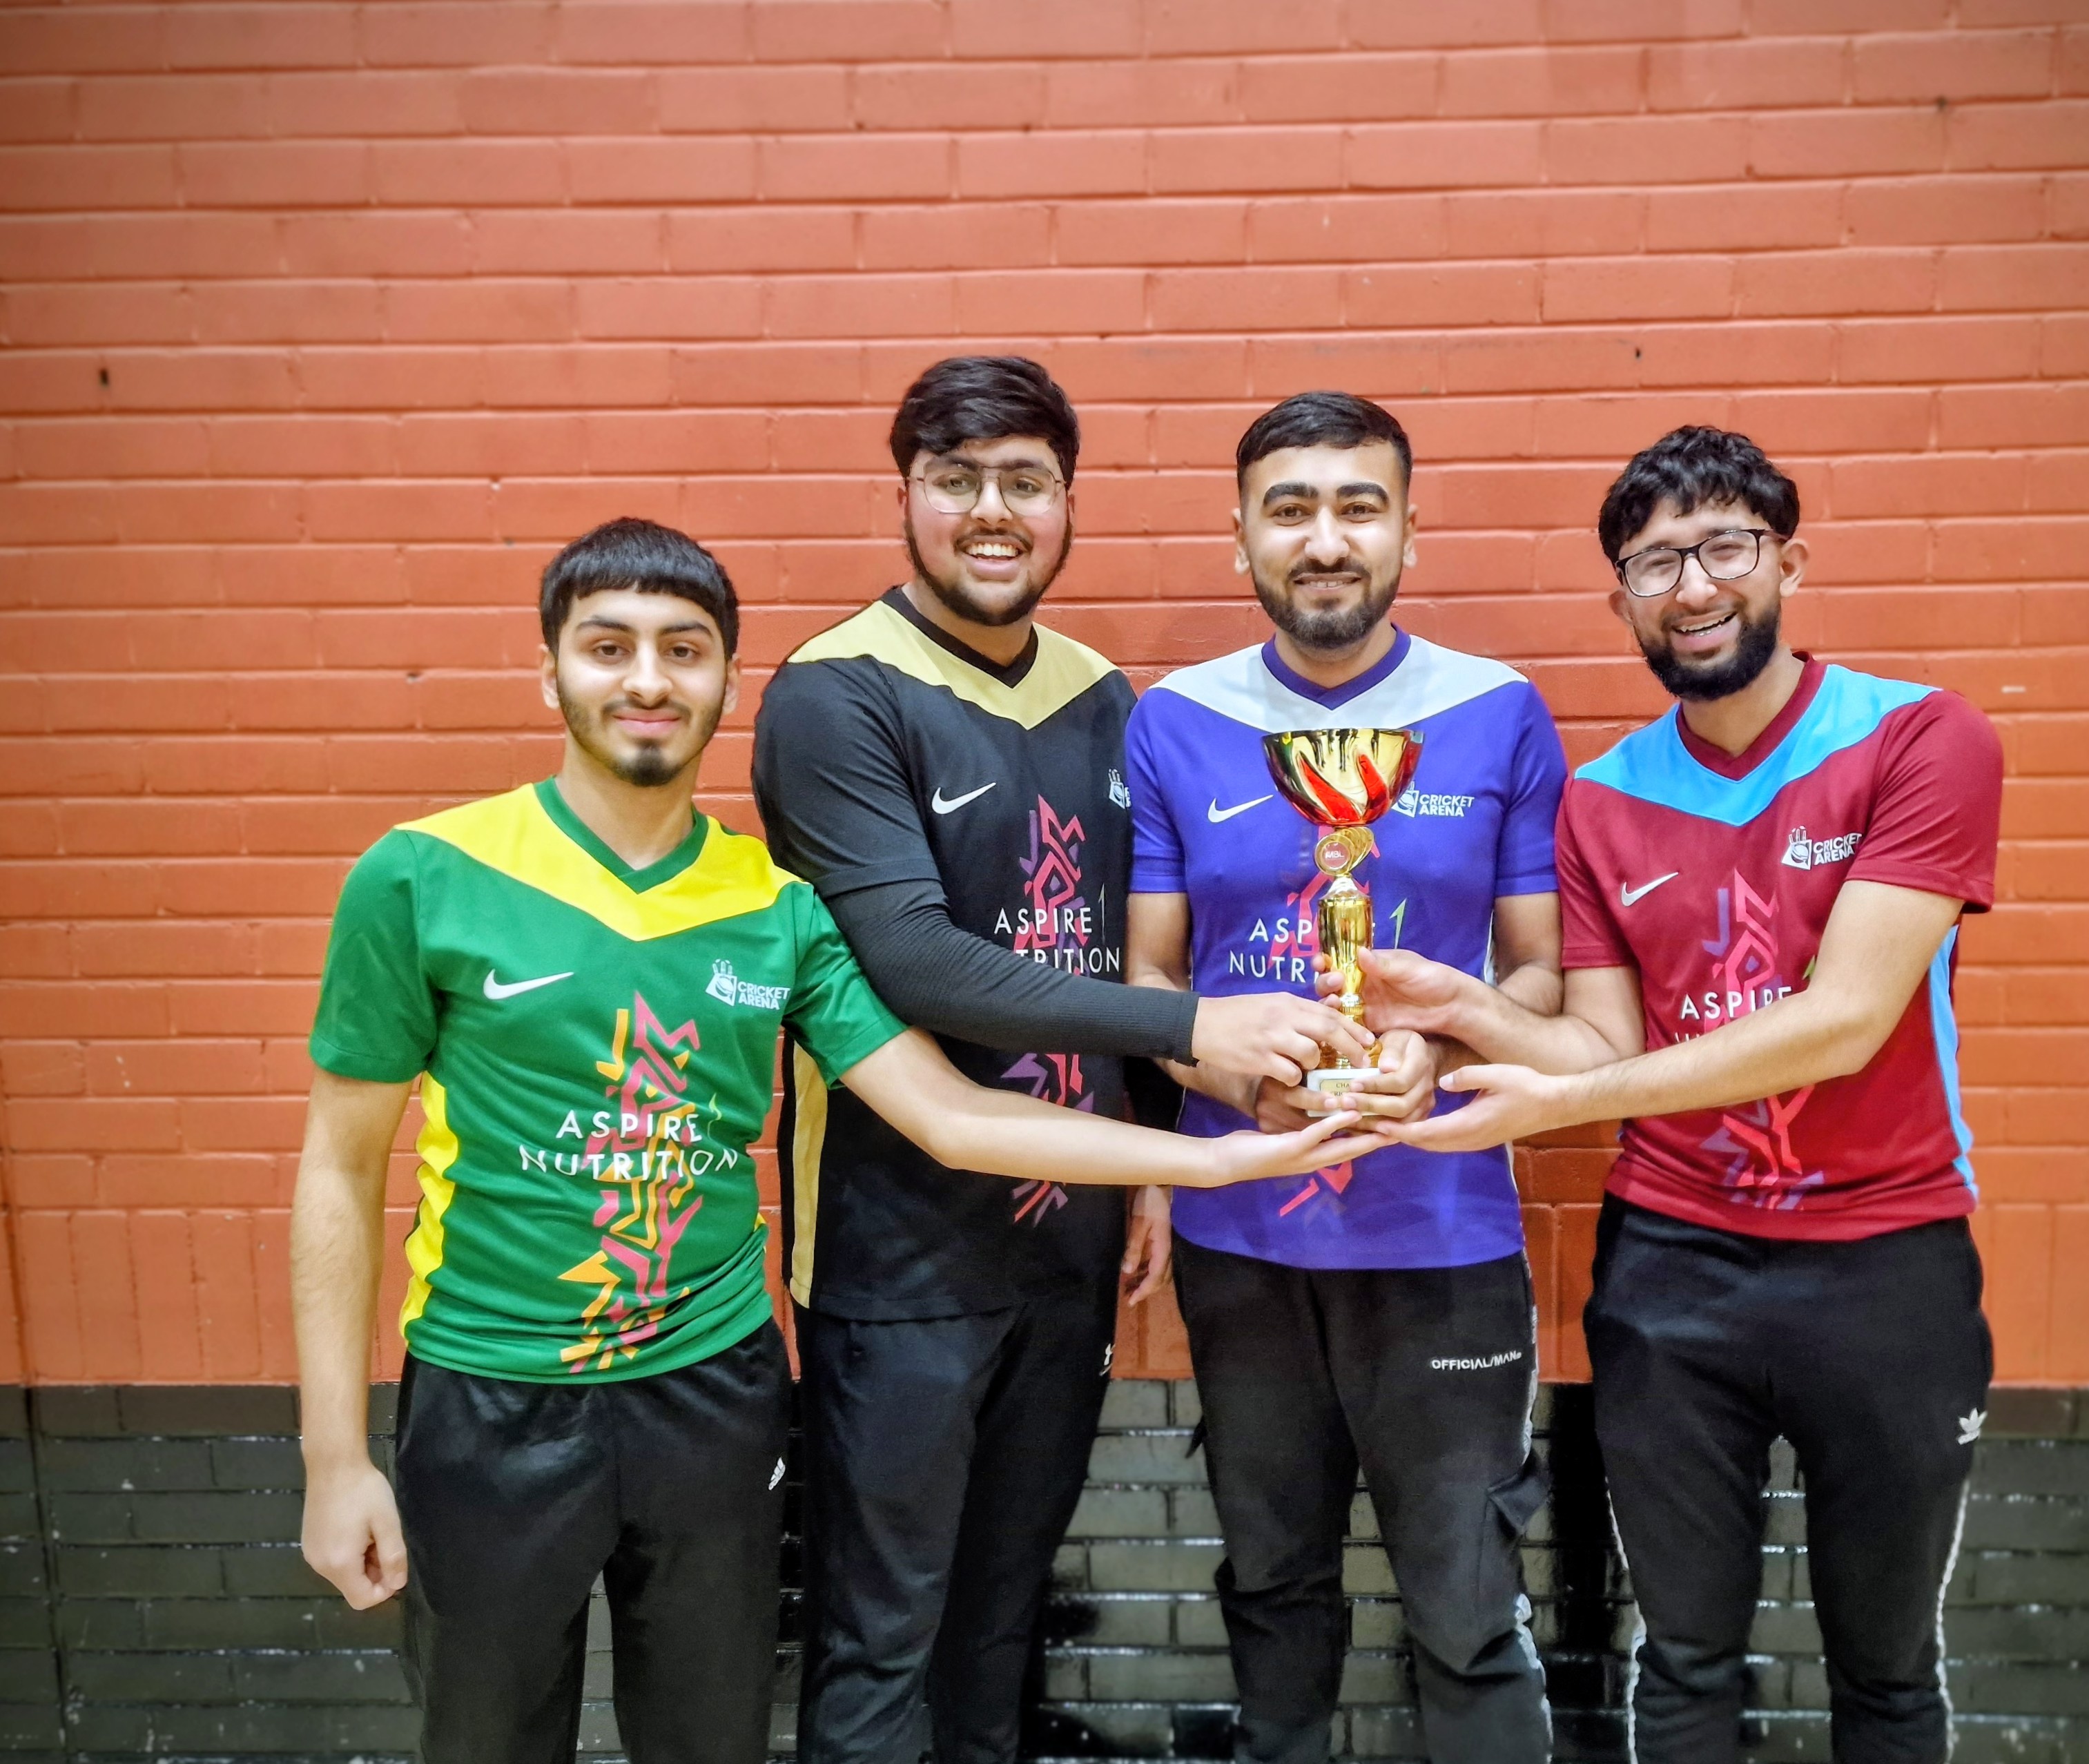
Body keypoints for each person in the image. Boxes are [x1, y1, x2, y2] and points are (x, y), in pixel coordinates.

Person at [291, 516, 1374, 1764]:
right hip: (490, 1399)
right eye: (607, 648)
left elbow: (954, 1117)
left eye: (683, 651)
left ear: (727, 683)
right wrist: (333, 1458)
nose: (647, 680)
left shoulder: (780, 911)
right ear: (550, 673)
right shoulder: (424, 876)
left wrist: (1224, 1156)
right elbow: (338, 1167)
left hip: (713, 1396)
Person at [751, 358, 1364, 1764]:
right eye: (955, 479)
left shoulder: (1102, 699)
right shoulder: (835, 695)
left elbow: (1114, 944)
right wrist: (1193, 1034)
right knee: (876, 1641)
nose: (991, 512)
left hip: (1068, 1245)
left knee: (998, 1629)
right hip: (895, 1258)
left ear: (1065, 501)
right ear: (905, 495)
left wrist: (1149, 1164)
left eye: (1023, 481)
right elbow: (917, 963)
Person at [1366, 426, 2004, 1763]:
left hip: (1884, 1266)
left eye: (1722, 547)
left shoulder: (1921, 739)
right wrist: (1463, 1009)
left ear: (1786, 560)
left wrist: (1544, 1110)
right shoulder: (1599, 802)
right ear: (1620, 602)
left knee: (1885, 1673)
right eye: (1652, 563)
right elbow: (1597, 1050)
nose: (1692, 587)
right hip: (1670, 1269)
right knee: (1685, 1664)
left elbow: (1838, 1024)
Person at [1123, 391, 1570, 1764]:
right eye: (1291, 508)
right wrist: (1228, 1063)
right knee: (1271, 1594)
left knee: (1464, 1609)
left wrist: (1435, 1050)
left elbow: (1540, 976)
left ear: (1407, 535)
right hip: (1240, 1231)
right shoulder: (1173, 720)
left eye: (1357, 506)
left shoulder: (1494, 714)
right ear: (1241, 536)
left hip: (1443, 1233)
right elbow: (1145, 980)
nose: (1325, 538)